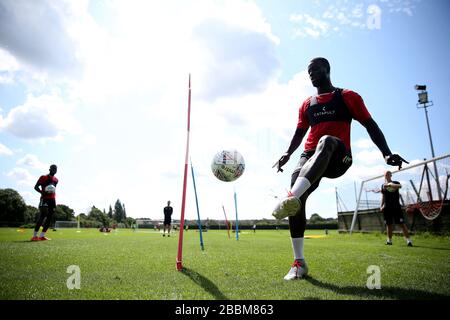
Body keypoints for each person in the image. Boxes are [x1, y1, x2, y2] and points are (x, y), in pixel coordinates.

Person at [272, 57, 409, 280]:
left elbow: (370, 125)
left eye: (315, 69)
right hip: (309, 156)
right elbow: (299, 133)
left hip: (338, 156)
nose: (311, 74)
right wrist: (288, 153)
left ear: (327, 70)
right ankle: (299, 262)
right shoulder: (307, 104)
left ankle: (288, 198)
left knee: (326, 140)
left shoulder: (347, 97)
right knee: (297, 195)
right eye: (309, 71)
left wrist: (386, 152)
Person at [381, 171, 413, 246]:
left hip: (396, 207)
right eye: (386, 174)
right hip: (387, 208)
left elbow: (399, 186)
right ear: (384, 176)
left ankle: (409, 241)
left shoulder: (395, 182)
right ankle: (389, 241)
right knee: (389, 224)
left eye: (388, 174)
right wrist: (381, 205)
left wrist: (389, 184)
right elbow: (383, 196)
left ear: (391, 175)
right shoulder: (382, 185)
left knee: (401, 223)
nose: (387, 175)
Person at [31, 164, 58, 241]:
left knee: (49, 218)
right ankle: (34, 236)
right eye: (53, 168)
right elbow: (36, 187)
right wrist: (42, 192)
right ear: (49, 169)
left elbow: (53, 189)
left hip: (52, 200)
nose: (54, 170)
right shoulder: (43, 177)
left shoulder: (56, 180)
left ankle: (42, 236)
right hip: (44, 199)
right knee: (42, 216)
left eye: (56, 169)